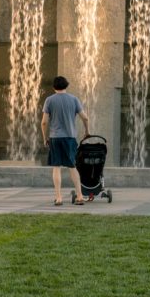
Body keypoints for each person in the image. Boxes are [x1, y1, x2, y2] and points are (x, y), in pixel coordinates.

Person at [41, 76, 89, 206]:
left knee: (56, 167)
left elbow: (44, 122)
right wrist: (86, 131)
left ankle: (59, 198)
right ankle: (79, 196)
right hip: (70, 138)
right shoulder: (74, 99)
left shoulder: (49, 100)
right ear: (66, 86)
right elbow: (85, 118)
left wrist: (45, 137)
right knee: (72, 166)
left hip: (55, 138)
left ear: (53, 87)